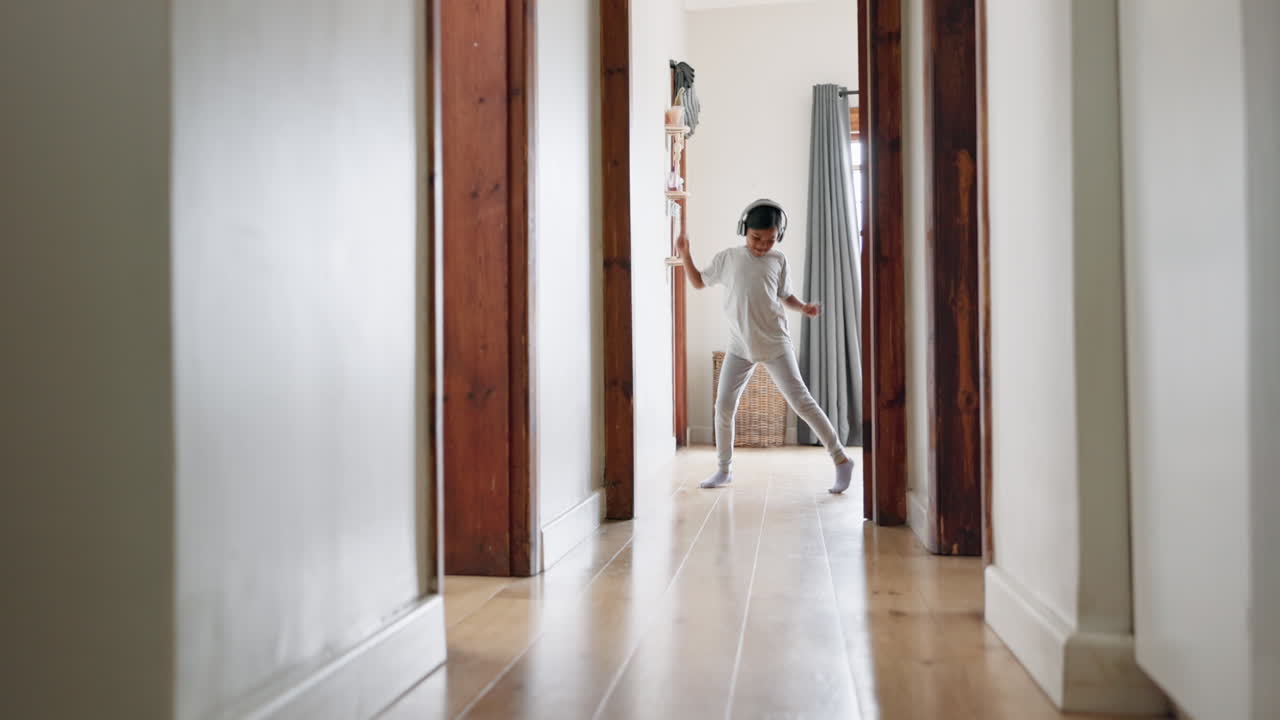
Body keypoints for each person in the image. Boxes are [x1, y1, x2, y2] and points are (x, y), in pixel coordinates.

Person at [675, 198, 855, 494]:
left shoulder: (778, 260)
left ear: (778, 236)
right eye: (756, 238)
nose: (762, 245)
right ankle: (723, 469)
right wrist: (685, 253)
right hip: (740, 345)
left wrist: (804, 307)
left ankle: (841, 459)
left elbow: (785, 295)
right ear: (744, 230)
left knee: (802, 403)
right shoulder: (728, 258)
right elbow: (697, 282)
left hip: (775, 343)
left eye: (770, 240)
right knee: (723, 406)